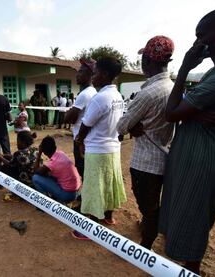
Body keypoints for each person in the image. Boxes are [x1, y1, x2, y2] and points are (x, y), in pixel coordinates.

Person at [160, 7, 215, 274]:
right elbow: (191, 110)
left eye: (202, 35)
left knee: (193, 219)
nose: (198, 43)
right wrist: (196, 116)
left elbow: (171, 113)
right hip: (205, 155)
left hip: (204, 161)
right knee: (189, 216)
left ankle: (192, 269)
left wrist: (185, 67)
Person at [116, 36, 175, 250]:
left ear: (148, 62)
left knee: (148, 206)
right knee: (152, 205)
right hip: (163, 156)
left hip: (146, 162)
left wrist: (131, 126)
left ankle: (146, 245)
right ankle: (149, 230)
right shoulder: (172, 87)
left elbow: (121, 126)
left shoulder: (148, 93)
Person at [73, 57, 127, 240]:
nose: (93, 77)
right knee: (109, 183)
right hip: (112, 148)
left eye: (95, 73)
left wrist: (80, 141)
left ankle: (91, 228)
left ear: (103, 75)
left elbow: (85, 125)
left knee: (94, 187)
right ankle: (108, 216)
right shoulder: (117, 96)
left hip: (97, 149)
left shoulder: (100, 97)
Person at [64, 58, 97, 180]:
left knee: (82, 168)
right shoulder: (92, 91)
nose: (77, 75)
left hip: (80, 139)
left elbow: (68, 119)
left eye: (81, 72)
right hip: (86, 137)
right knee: (86, 168)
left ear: (90, 74)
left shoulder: (84, 94)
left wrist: (68, 114)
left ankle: (86, 195)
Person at [32, 136, 81, 203]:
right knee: (48, 174)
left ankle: (45, 202)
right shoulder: (61, 153)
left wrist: (39, 153)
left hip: (67, 195)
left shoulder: (52, 164)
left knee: (36, 178)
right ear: (55, 147)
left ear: (44, 150)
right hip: (76, 191)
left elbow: (35, 171)